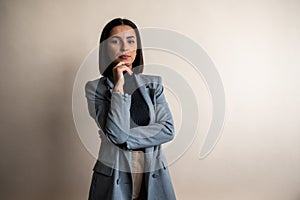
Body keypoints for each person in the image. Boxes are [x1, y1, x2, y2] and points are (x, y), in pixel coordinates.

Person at [85, 18, 176, 200]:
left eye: (130, 41)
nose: (124, 48)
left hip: (153, 172)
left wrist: (123, 138)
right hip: (114, 175)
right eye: (115, 41)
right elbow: (116, 135)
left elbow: (168, 130)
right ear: (105, 47)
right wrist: (119, 87)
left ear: (137, 47)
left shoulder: (154, 84)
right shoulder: (95, 88)